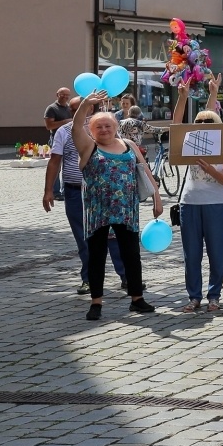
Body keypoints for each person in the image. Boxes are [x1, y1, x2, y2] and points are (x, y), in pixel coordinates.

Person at [70, 90, 158, 321]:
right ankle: (96, 302)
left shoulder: (128, 144)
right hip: (98, 210)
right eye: (99, 127)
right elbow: (75, 128)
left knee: (131, 254)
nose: (104, 130)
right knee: (97, 256)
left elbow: (144, 171)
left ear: (116, 126)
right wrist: (86, 105)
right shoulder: (89, 147)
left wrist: (157, 197)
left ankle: (137, 298)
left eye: (108, 126)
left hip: (126, 210)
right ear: (92, 130)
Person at [43, 95, 126, 295]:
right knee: (83, 238)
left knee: (114, 235)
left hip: (104, 192)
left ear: (91, 108)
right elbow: (55, 161)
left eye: (84, 107)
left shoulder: (102, 130)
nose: (78, 112)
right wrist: (48, 190)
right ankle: (89, 279)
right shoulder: (63, 132)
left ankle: (126, 276)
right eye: (73, 110)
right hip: (74, 192)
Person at [170, 82, 223, 313]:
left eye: (208, 122)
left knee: (217, 252)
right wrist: (183, 97)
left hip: (216, 203)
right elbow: (176, 126)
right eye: (198, 122)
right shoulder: (189, 141)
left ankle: (214, 296)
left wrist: (212, 171)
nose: (203, 125)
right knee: (192, 253)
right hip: (190, 202)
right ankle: (194, 297)